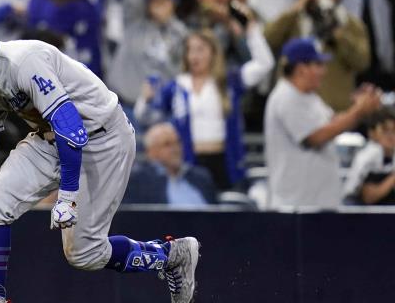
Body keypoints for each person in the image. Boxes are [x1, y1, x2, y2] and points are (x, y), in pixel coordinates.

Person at [0, 20, 199, 303]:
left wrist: (68, 196)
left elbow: (70, 125)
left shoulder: (23, 61)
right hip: (51, 137)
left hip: (103, 138)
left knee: (84, 254)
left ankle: (171, 255)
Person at [136, 25, 274, 190]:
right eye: (190, 50)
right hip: (190, 162)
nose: (194, 56)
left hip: (225, 161)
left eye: (200, 50)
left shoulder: (229, 81)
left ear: (213, 53)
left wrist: (251, 30)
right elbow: (143, 116)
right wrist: (145, 98)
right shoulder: (178, 85)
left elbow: (265, 64)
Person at [264, 37, 382, 208]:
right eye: (318, 65)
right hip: (295, 207)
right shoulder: (286, 97)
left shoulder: (309, 97)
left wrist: (359, 109)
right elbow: (315, 137)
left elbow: (332, 123)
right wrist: (357, 112)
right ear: (301, 68)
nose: (324, 71)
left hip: (315, 203)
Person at [264, 0, 370, 112]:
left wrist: (338, 34)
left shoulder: (351, 25)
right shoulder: (294, 20)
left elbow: (362, 62)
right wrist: (296, 8)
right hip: (294, 106)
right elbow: (268, 39)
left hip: (335, 108)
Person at [124, 123, 218, 206]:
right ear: (151, 152)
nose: (175, 148)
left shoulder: (201, 177)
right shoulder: (139, 181)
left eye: (177, 142)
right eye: (167, 144)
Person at [343, 107, 395, 205]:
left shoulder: (391, 155)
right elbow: (369, 197)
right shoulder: (370, 155)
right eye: (385, 130)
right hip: (355, 211)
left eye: (394, 130)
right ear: (372, 134)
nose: (391, 135)